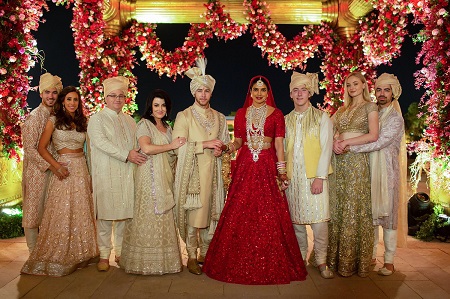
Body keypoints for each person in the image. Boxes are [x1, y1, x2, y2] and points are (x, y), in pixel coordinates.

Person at [203, 75, 307, 285]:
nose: (259, 94)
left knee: (269, 212)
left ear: (268, 93)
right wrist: (227, 147)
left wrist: (281, 171)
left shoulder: (277, 114)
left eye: (263, 90)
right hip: (247, 166)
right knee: (242, 209)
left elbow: (279, 145)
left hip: (267, 165)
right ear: (250, 93)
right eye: (255, 90)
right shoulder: (242, 113)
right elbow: (239, 140)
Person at [21, 86, 99, 276]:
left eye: (75, 100)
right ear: (62, 101)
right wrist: (56, 166)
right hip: (63, 169)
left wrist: (89, 175)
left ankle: (81, 254)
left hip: (81, 168)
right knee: (62, 212)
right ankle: (58, 254)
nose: (72, 103)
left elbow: (88, 151)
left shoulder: (82, 122)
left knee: (81, 211)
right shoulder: (53, 121)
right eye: (69, 99)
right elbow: (41, 148)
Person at [172, 58, 230, 275]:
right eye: (199, 91)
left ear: (211, 93)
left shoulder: (220, 117)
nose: (203, 94)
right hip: (193, 173)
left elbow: (224, 142)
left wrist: (221, 149)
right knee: (195, 217)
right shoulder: (184, 116)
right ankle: (192, 255)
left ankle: (206, 252)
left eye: (207, 90)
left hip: (213, 171)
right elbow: (178, 146)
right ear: (193, 93)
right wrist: (204, 144)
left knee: (212, 214)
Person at [120, 89, 184, 275]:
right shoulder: (144, 124)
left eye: (163, 105)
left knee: (164, 215)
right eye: (156, 105)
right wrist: (172, 145)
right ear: (150, 106)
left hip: (165, 177)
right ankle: (143, 262)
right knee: (148, 214)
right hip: (148, 177)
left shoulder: (168, 127)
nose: (160, 108)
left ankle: (164, 262)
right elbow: (146, 148)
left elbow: (173, 152)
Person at [87, 76, 147, 272]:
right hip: (106, 172)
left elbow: (136, 144)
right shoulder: (97, 119)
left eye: (121, 96)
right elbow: (100, 142)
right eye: (113, 95)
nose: (117, 99)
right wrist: (126, 154)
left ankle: (120, 252)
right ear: (105, 98)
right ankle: (104, 255)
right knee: (105, 216)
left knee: (123, 214)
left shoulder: (129, 120)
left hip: (126, 171)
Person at [349, 73, 406, 276]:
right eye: (379, 89)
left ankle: (389, 260)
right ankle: (370, 255)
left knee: (388, 214)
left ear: (393, 93)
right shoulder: (371, 112)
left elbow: (378, 142)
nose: (382, 94)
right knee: (369, 213)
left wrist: (349, 148)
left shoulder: (395, 118)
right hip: (368, 167)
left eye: (386, 90)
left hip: (387, 172)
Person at [327, 71, 379, 277]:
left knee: (354, 205)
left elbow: (373, 135)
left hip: (357, 162)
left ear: (364, 85)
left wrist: (347, 142)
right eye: (348, 85)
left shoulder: (370, 107)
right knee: (339, 205)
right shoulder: (341, 110)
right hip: (340, 162)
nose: (352, 88)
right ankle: (335, 258)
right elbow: (329, 130)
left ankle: (355, 261)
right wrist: (334, 142)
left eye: (355, 84)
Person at [284, 72, 334, 279]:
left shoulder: (322, 117)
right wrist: (282, 176)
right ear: (291, 94)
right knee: (297, 223)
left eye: (303, 89)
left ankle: (321, 260)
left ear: (310, 92)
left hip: (314, 178)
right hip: (293, 179)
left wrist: (320, 177)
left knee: (319, 223)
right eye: (295, 90)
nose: (299, 93)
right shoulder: (285, 120)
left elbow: (327, 148)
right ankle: (301, 258)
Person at [21, 73, 65, 254]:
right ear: (40, 93)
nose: (51, 96)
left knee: (50, 211)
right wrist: (50, 167)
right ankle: (33, 253)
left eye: (54, 93)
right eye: (47, 92)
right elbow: (30, 149)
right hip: (37, 171)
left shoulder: (57, 115)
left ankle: (47, 251)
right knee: (33, 211)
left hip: (54, 170)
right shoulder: (35, 117)